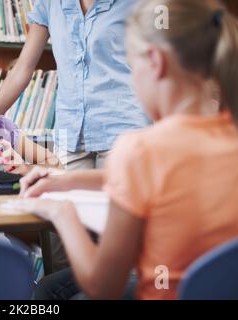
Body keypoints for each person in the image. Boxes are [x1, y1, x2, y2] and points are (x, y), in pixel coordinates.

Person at [13, 0, 238, 299]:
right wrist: (66, 181)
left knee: (47, 294)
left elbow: (102, 287)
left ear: (154, 63)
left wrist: (62, 211)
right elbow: (158, 181)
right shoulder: (223, 135)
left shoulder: (140, 149)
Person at [0, 0, 150, 170]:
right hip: (70, 133)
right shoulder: (50, 4)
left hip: (123, 130)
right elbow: (23, 68)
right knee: (66, 196)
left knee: (120, 196)